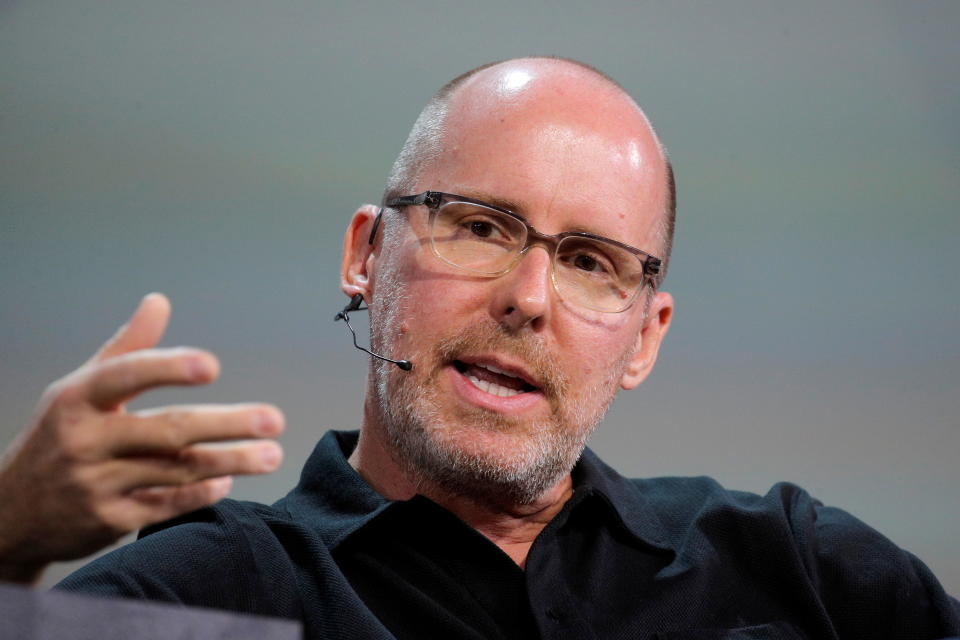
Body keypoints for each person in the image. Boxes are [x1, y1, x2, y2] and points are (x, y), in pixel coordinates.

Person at [1, 57, 958, 639]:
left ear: (643, 338)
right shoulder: (206, 595)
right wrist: (10, 540)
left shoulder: (799, 567)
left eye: (591, 261)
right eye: (483, 227)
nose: (528, 299)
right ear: (366, 255)